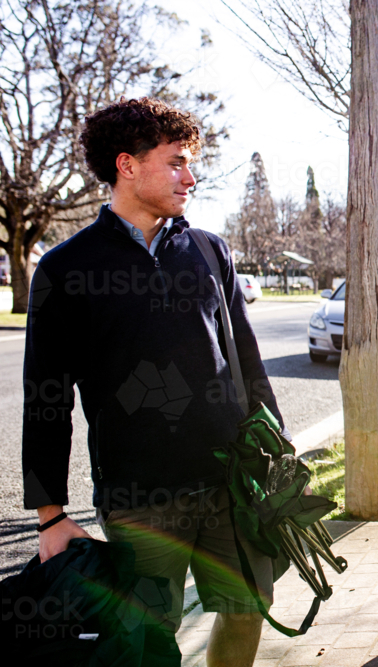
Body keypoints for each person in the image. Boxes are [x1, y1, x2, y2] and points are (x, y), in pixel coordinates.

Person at [22, 97, 287, 667]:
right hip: (139, 495)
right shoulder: (67, 268)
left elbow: (245, 358)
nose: (190, 177)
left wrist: (276, 450)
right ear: (127, 165)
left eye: (191, 164)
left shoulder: (208, 251)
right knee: (146, 636)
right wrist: (50, 512)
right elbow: (45, 393)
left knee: (248, 605)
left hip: (228, 480)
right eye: (176, 162)